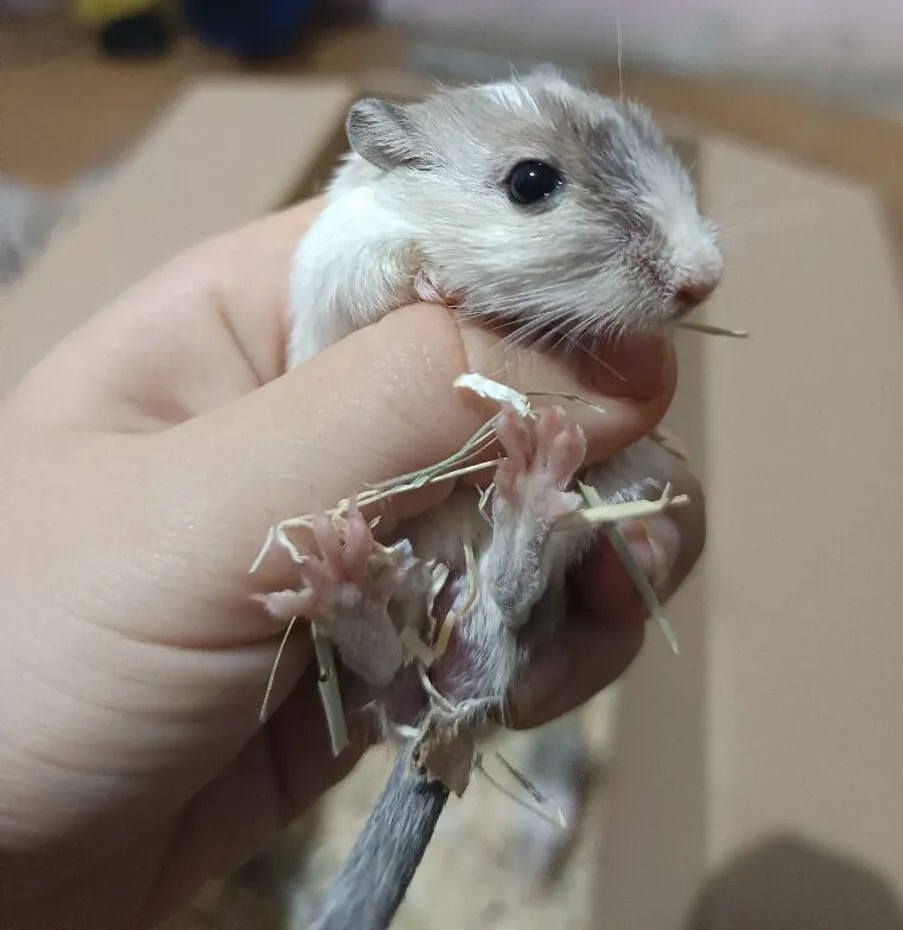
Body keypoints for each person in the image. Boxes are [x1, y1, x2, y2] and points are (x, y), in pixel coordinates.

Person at [0, 199, 705, 929]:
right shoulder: (369, 234)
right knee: (446, 636)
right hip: (399, 658)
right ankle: (377, 594)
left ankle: (366, 597)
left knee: (477, 622)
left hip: (411, 662)